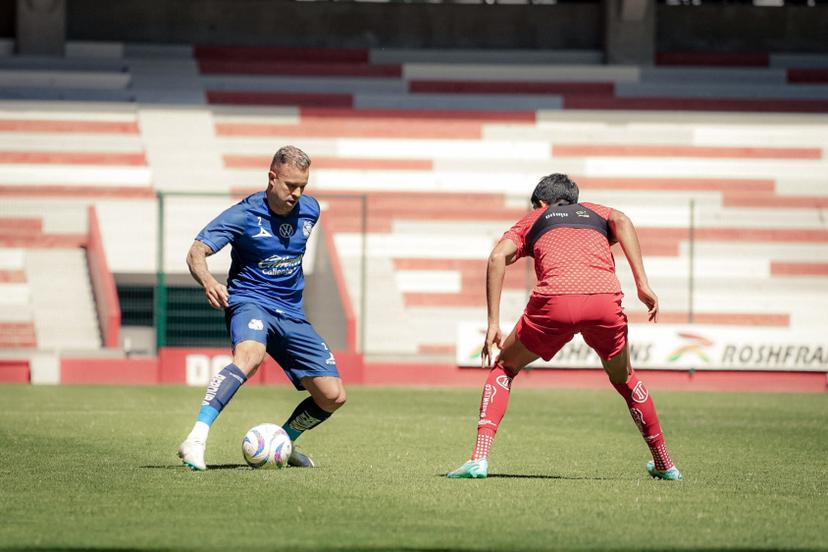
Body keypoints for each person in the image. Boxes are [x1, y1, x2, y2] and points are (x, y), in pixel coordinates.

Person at [447, 173, 682, 480]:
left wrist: (493, 322)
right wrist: (642, 284)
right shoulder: (595, 212)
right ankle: (664, 463)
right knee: (625, 378)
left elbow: (496, 258)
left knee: (504, 368)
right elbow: (622, 220)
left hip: (554, 303)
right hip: (603, 301)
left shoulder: (535, 218)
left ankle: (479, 458)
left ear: (541, 203)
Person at [177, 145, 346, 471]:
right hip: (251, 301)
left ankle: (282, 442)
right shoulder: (243, 214)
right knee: (250, 356)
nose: (297, 193)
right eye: (290, 185)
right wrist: (210, 282)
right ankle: (196, 438)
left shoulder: (310, 210)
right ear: (272, 178)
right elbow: (196, 252)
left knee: (332, 396)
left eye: (303, 186)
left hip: (292, 313)